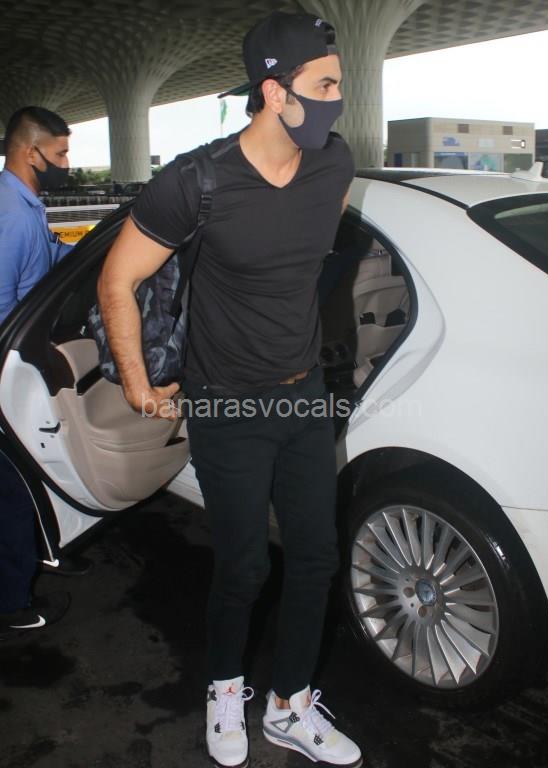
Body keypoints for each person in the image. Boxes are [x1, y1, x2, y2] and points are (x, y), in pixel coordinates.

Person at [98, 12, 362, 768]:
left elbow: (305, 265)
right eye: (326, 85)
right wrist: (140, 386)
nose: (339, 100)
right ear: (276, 93)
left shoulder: (334, 165)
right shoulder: (196, 180)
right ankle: (224, 689)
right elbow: (118, 280)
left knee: (316, 560)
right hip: (226, 404)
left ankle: (289, 706)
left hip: (303, 395)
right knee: (245, 567)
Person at [0, 106, 81, 638]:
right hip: (7, 369)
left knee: (27, 477)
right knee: (9, 489)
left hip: (18, 364)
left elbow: (49, 256)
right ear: (31, 152)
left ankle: (37, 556)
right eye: (60, 153)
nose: (66, 163)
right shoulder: (10, 213)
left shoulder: (25, 205)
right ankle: (10, 600)